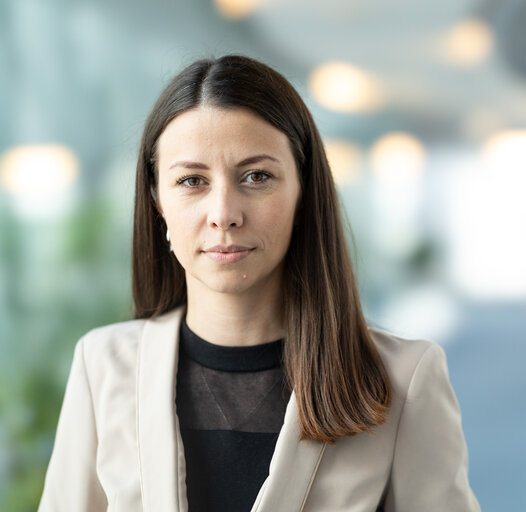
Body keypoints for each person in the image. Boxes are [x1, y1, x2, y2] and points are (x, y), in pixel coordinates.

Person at [37, 55, 480, 512]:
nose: (224, 213)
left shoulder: (402, 380)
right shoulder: (104, 366)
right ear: (157, 204)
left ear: (303, 192)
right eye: (192, 180)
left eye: (257, 176)